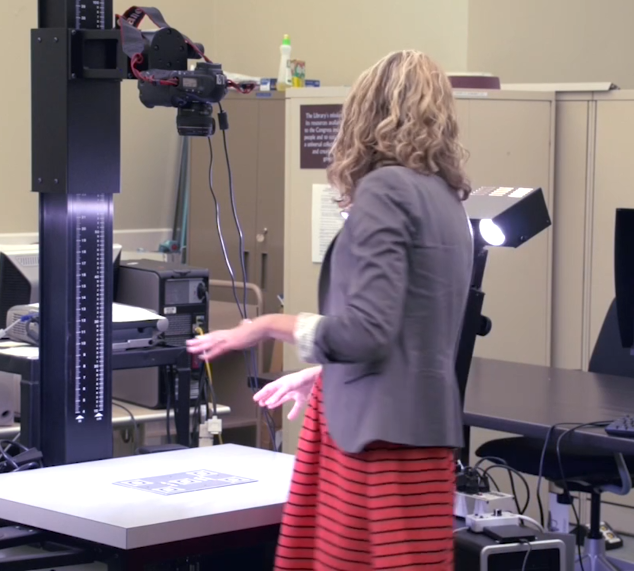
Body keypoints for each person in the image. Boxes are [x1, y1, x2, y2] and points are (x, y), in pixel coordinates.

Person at [186, 50, 473, 569]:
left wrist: (266, 325)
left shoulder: (385, 190)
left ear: (364, 112)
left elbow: (366, 333)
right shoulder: (446, 200)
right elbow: (410, 330)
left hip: (376, 441)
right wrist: (321, 376)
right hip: (422, 432)